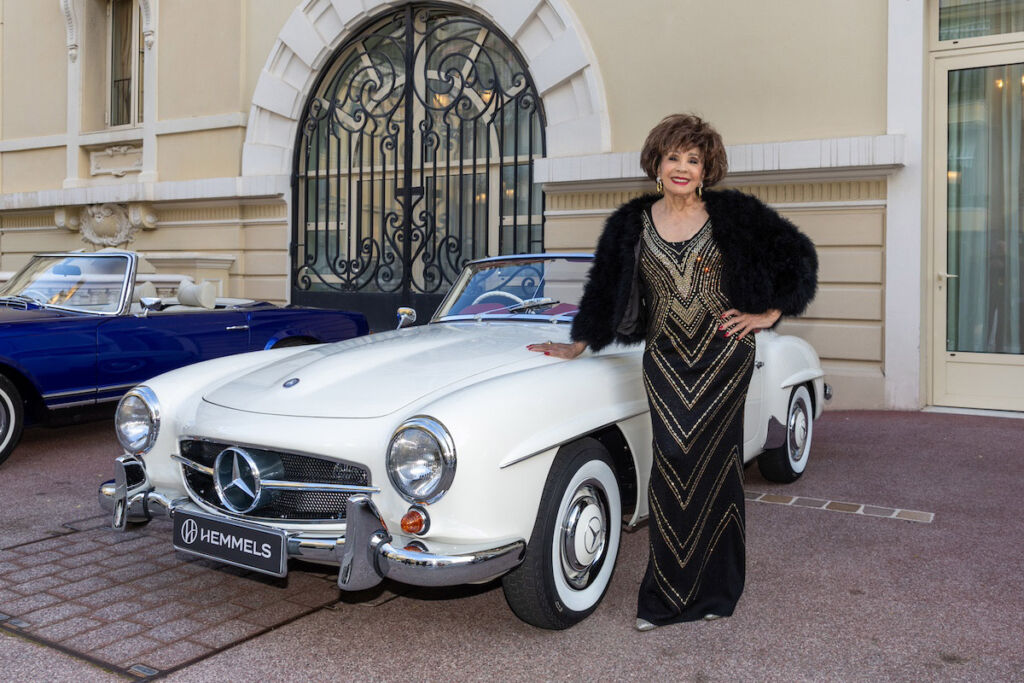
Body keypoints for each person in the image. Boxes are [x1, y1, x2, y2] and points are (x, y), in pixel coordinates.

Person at [528, 113, 817, 630]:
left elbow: (797, 260)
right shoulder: (632, 224)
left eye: (693, 159)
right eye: (673, 157)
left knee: (718, 467)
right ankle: (667, 597)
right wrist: (576, 345)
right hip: (664, 361)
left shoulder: (733, 215)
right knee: (672, 465)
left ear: (706, 169)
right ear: (656, 164)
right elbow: (605, 289)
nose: (682, 167)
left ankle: (716, 592)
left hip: (726, 358)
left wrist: (766, 315)